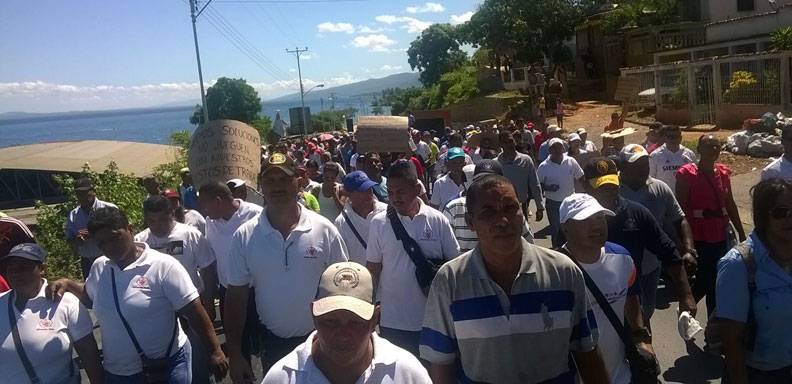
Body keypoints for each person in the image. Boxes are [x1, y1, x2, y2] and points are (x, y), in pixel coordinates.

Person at [420, 174, 609, 383]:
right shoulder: (449, 281)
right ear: (470, 223)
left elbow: (587, 353)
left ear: (522, 212)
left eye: (510, 208)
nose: (502, 220)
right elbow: (441, 365)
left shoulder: (563, 272)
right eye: (488, 212)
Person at [47, 207, 228, 383]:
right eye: (101, 243)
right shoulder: (100, 267)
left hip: (165, 368)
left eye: (114, 238)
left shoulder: (163, 266)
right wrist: (69, 284)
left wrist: (215, 351)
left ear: (130, 229)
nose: (109, 247)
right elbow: (90, 297)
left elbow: (194, 311)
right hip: (119, 373)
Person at [224, 153, 349, 383]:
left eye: (284, 179)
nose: (277, 187)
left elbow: (344, 291)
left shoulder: (324, 230)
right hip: (272, 345)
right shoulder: (245, 236)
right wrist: (235, 354)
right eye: (270, 181)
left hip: (323, 343)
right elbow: (236, 299)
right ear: (261, 185)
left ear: (298, 183)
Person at [262, 262, 431, 383]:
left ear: (374, 320)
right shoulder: (281, 377)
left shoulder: (408, 373)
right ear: (314, 317)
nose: (342, 334)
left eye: (355, 323)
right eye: (330, 322)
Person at [584, 157, 699, 319]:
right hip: (589, 303)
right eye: (602, 187)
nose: (608, 190)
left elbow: (667, 251)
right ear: (586, 187)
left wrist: (685, 294)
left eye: (612, 184)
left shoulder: (637, 213)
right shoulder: (575, 220)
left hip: (631, 301)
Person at [559, 194, 656, 383]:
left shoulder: (622, 258)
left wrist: (641, 340)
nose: (596, 226)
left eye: (599, 217)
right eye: (585, 220)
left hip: (621, 375)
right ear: (565, 228)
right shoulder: (554, 270)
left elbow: (632, 302)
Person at [366, 160, 459, 356]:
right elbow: (373, 269)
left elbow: (454, 264)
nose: (394, 198)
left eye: (400, 191)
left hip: (435, 320)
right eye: (390, 192)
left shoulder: (437, 220)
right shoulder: (378, 223)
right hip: (393, 320)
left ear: (417, 188)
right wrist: (369, 307)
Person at [717, 178, 792, 383]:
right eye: (780, 212)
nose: (789, 218)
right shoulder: (739, 264)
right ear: (762, 216)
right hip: (760, 374)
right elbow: (732, 340)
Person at [0, 243, 103, 384]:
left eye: (23, 267)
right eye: (10, 269)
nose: (15, 273)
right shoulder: (1, 302)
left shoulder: (65, 303)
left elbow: (89, 354)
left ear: (42, 269)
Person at [618, 144, 698, 321]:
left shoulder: (659, 188)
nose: (643, 170)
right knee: (624, 318)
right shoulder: (611, 190)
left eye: (645, 164)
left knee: (646, 312)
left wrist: (688, 250)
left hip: (651, 267)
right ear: (622, 167)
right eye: (636, 166)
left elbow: (679, 219)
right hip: (619, 270)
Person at [676, 135, 746, 318]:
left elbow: (729, 204)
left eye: (716, 146)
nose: (713, 149)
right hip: (698, 235)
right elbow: (679, 208)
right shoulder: (686, 174)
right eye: (708, 146)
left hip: (721, 234)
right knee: (705, 279)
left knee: (718, 280)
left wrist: (740, 231)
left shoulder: (723, 173)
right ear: (699, 149)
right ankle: (687, 306)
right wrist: (682, 241)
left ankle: (712, 328)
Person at [136, 195, 217, 317]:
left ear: (172, 214)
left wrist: (209, 302)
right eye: (152, 221)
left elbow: (207, 270)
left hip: (190, 300)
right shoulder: (139, 241)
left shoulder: (190, 235)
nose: (157, 225)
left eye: (162, 219)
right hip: (157, 306)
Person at [443, 160, 534, 253]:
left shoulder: (513, 210)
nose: (502, 221)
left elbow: (529, 245)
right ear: (470, 221)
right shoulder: (453, 208)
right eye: (487, 212)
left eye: (493, 182)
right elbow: (447, 246)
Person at [65, 177, 118, 279]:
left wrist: (94, 234)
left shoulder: (108, 208)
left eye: (85, 192)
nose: (82, 196)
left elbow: (119, 232)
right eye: (79, 193)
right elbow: (69, 240)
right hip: (87, 261)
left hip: (108, 257)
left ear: (93, 191)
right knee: (91, 291)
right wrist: (77, 240)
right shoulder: (74, 215)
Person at [537, 138, 585, 247]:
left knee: (572, 228)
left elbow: (581, 177)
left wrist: (587, 192)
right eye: (555, 147)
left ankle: (572, 250)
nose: (558, 150)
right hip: (553, 203)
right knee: (556, 230)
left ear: (563, 148)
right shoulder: (544, 166)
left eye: (560, 147)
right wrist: (548, 187)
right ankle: (557, 251)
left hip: (570, 202)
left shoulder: (571, 161)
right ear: (550, 150)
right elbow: (538, 185)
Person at [334, 171, 387, 265]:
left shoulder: (387, 212)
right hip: (361, 277)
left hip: (389, 277)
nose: (368, 193)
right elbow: (341, 257)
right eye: (362, 190)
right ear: (349, 194)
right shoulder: (341, 222)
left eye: (369, 188)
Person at [497, 130, 545, 220]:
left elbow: (535, 184)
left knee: (524, 233)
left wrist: (539, 206)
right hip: (503, 210)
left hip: (522, 206)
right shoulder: (496, 163)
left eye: (511, 141)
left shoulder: (526, 160)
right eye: (505, 142)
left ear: (515, 141)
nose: (508, 144)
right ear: (500, 145)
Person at [649, 125, 697, 192]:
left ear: (680, 138)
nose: (673, 140)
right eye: (670, 137)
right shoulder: (655, 156)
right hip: (664, 197)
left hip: (685, 197)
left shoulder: (690, 154)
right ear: (665, 138)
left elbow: (695, 178)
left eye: (676, 137)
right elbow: (650, 179)